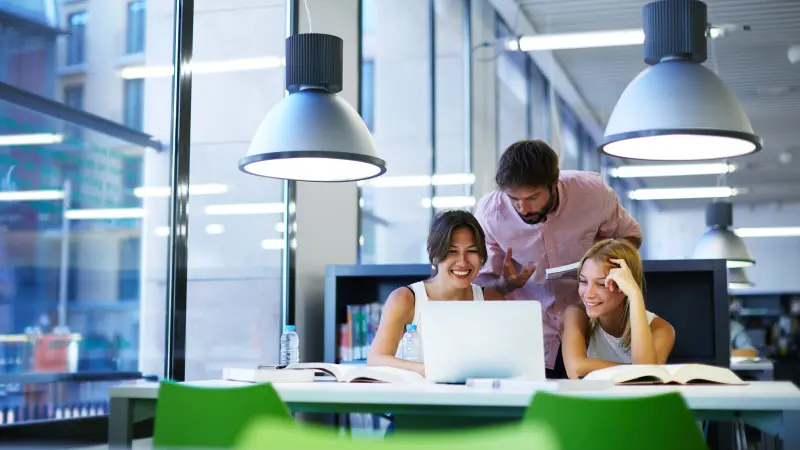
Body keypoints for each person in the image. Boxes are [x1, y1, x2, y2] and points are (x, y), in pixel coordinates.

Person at [474, 140, 642, 378]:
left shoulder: (592, 193)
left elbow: (630, 237)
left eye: (532, 197)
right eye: (514, 199)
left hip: (593, 326)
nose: (522, 208)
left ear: (554, 183)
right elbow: (481, 282)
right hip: (529, 337)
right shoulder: (490, 213)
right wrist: (505, 284)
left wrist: (602, 265)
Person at [367, 210, 505, 376]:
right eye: (452, 251)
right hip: (420, 398)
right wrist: (426, 369)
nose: (462, 262)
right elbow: (376, 359)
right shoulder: (405, 299)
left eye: (471, 251)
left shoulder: (493, 300)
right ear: (434, 254)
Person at [561, 238, 675, 379]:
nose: (588, 294)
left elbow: (645, 378)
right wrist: (634, 370)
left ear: (625, 285)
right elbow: (575, 369)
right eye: (583, 281)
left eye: (601, 284)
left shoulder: (661, 329)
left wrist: (634, 295)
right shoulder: (576, 314)